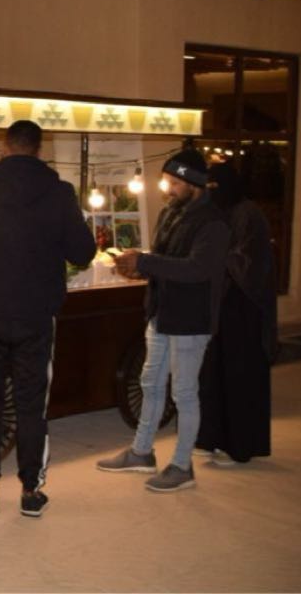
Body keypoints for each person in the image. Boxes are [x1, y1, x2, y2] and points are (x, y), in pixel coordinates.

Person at [0, 120, 95, 518]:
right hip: (37, 313)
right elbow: (83, 252)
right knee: (33, 403)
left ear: (5, 146)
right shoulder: (60, 192)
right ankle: (31, 491)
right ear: (39, 149)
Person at [97, 148, 228, 492]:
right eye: (167, 181)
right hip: (160, 313)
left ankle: (182, 466)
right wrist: (137, 266)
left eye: (174, 182)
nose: (168, 189)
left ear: (193, 184)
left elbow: (198, 269)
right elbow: (164, 259)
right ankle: (141, 452)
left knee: (184, 392)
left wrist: (145, 262)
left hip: (191, 320)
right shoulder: (171, 212)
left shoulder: (213, 222)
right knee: (150, 383)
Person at [195, 160, 277, 465]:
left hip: (244, 311)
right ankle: (212, 439)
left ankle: (239, 446)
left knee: (239, 378)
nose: (212, 191)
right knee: (213, 376)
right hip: (221, 309)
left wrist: (215, 257)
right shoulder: (221, 211)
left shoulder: (248, 214)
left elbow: (249, 265)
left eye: (216, 186)